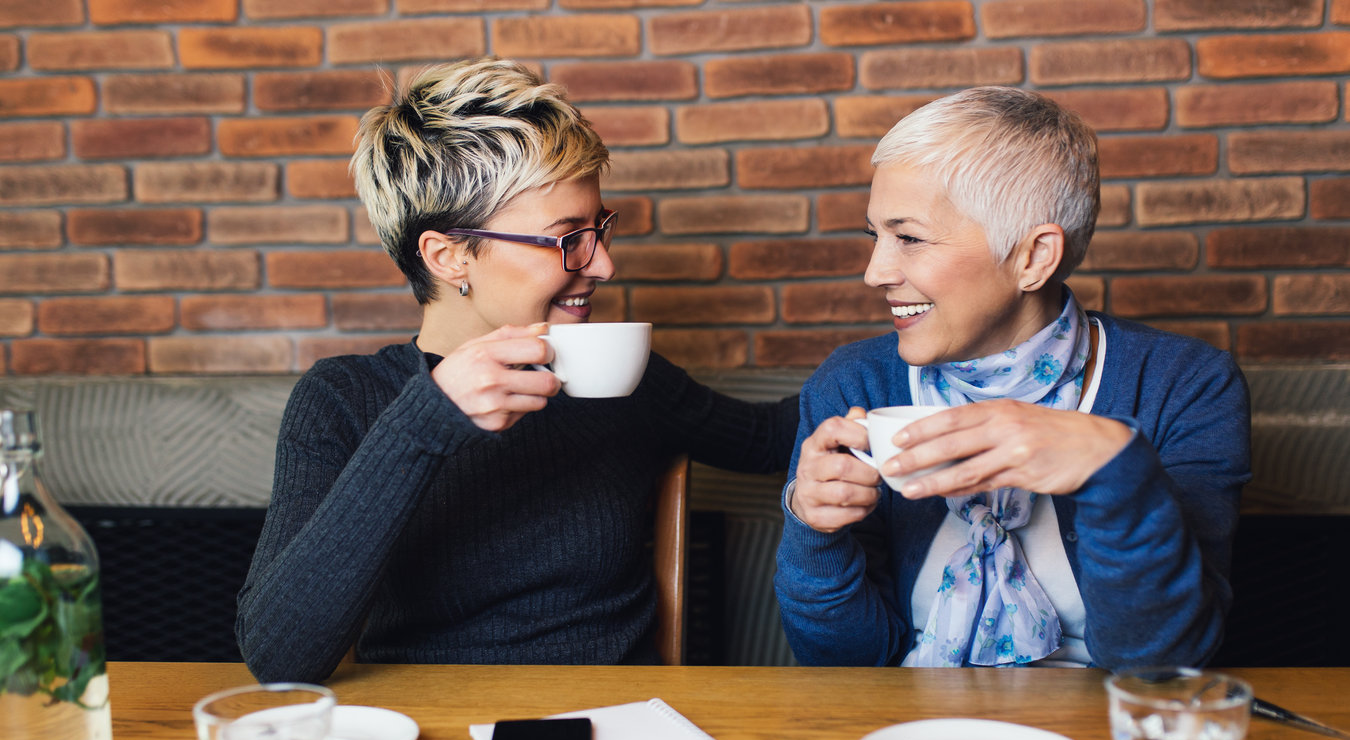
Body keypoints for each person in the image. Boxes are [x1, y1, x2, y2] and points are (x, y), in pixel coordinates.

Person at [236, 58, 798, 683]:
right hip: (429, 738)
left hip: (615, 727)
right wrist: (422, 423)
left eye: (599, 228)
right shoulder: (345, 400)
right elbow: (278, 660)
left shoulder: (620, 376)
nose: (604, 264)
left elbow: (772, 437)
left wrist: (913, 366)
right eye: (568, 239)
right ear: (449, 256)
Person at [774, 87, 1250, 671]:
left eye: (911, 238)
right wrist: (814, 530)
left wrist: (1115, 472)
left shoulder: (1186, 385)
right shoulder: (855, 385)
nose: (875, 272)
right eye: (876, 235)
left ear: (1032, 257)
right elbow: (845, 662)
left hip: (1099, 726)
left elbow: (1162, 661)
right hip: (905, 733)